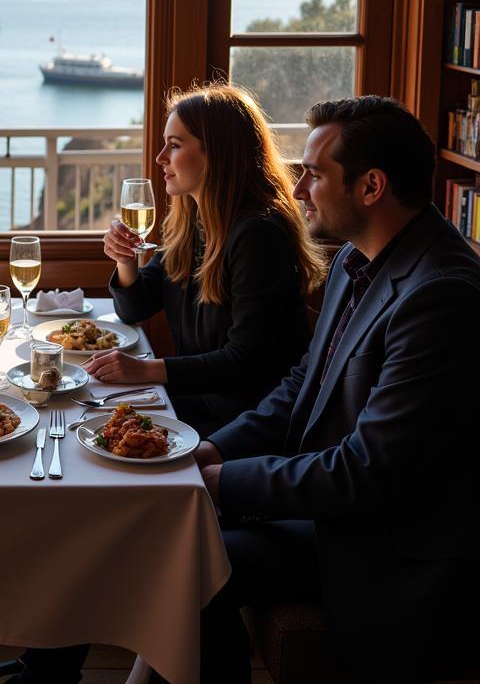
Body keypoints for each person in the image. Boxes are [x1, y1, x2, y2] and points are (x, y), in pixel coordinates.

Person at [188, 96, 480, 684]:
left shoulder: (441, 297)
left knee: (185, 560)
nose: (297, 190)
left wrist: (223, 483)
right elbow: (304, 383)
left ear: (371, 186)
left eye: (315, 175)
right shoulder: (355, 258)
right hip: (339, 513)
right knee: (173, 534)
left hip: (388, 547)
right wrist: (213, 451)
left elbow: (365, 471)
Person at [97, 83, 325, 436]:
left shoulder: (258, 234)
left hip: (243, 421)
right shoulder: (194, 222)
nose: (160, 158)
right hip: (201, 400)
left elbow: (246, 360)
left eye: (174, 146)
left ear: (215, 154)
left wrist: (146, 371)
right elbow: (135, 308)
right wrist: (125, 260)